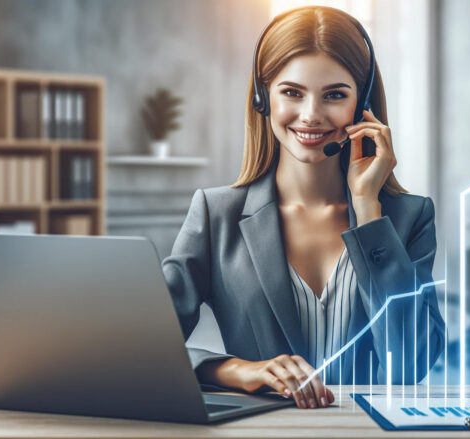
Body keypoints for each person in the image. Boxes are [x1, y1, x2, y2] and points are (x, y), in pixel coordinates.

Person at [162, 6, 444, 410]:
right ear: (264, 98)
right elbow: (146, 347)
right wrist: (237, 371)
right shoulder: (215, 215)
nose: (311, 115)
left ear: (361, 105)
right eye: (292, 92)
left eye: (334, 95)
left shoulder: (408, 219)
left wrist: (368, 209)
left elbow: (409, 366)